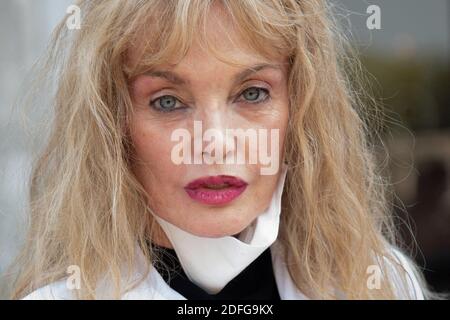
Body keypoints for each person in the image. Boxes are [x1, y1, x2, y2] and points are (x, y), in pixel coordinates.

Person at [11, 0, 431, 299]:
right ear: (113, 125)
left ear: (300, 109)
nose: (215, 142)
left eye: (251, 93)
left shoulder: (381, 285)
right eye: (168, 101)